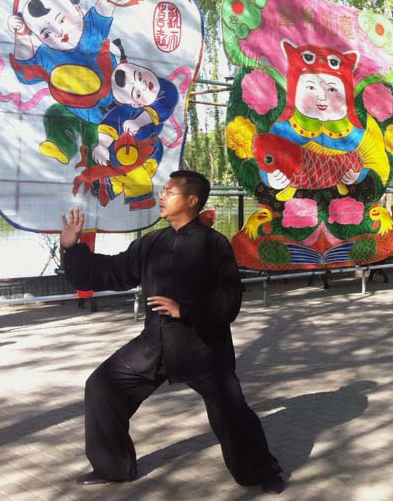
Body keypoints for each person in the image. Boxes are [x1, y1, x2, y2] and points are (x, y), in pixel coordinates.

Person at [59, 170, 284, 493]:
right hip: (154, 345)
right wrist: (73, 248)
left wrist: (186, 311)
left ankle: (261, 471)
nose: (162, 196)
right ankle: (113, 467)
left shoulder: (213, 244)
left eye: (169, 191)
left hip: (202, 347)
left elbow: (229, 298)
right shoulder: (152, 242)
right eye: (162, 190)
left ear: (192, 201)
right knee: (102, 386)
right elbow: (112, 272)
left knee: (231, 412)